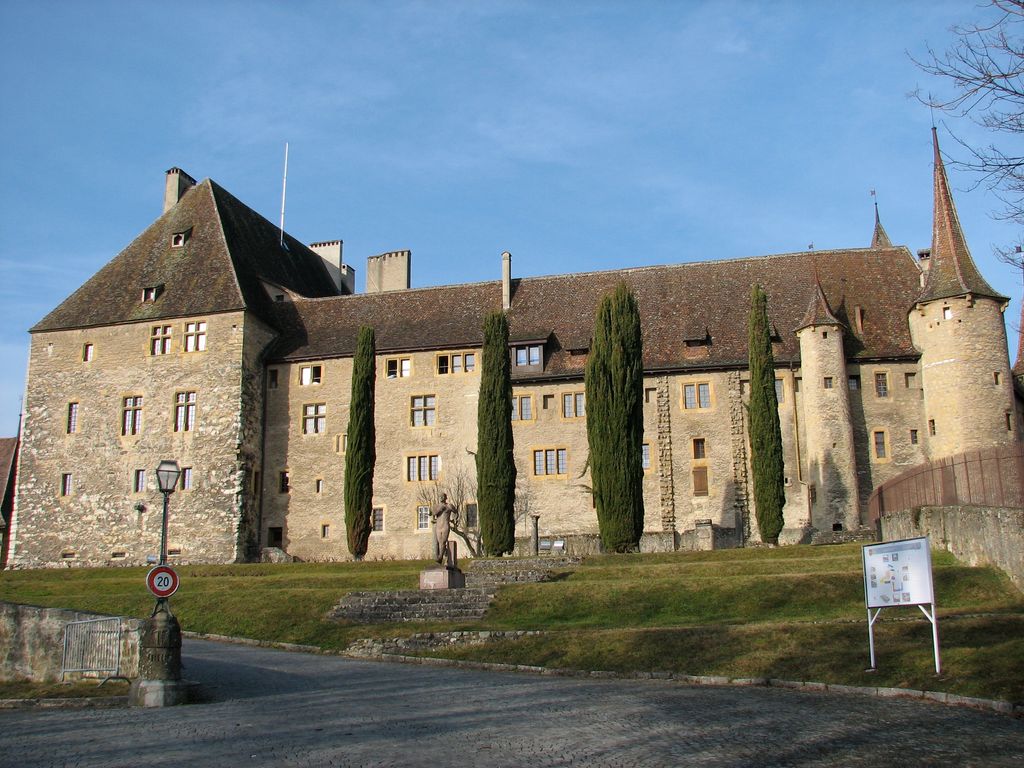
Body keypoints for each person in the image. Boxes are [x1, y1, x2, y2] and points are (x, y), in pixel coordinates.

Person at [430, 494, 456, 566]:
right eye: (440, 496)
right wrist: (440, 509)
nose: (441, 498)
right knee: (439, 542)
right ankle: (445, 555)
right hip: (438, 526)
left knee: (443, 542)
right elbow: (433, 513)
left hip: (445, 526)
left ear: (445, 498)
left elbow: (455, 512)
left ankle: (440, 557)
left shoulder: (449, 506)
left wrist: (453, 520)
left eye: (442, 496)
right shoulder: (437, 506)